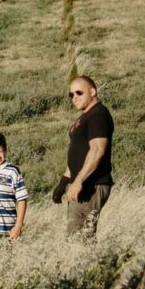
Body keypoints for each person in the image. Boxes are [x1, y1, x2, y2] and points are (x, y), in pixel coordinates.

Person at [60, 75, 114, 239]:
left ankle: (90, 265)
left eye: (79, 93)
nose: (74, 98)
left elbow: (97, 150)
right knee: (76, 236)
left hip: (91, 185)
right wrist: (63, 183)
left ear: (92, 92)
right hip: (81, 185)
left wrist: (78, 181)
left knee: (79, 239)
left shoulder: (98, 115)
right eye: (71, 95)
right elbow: (77, 154)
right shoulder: (85, 117)